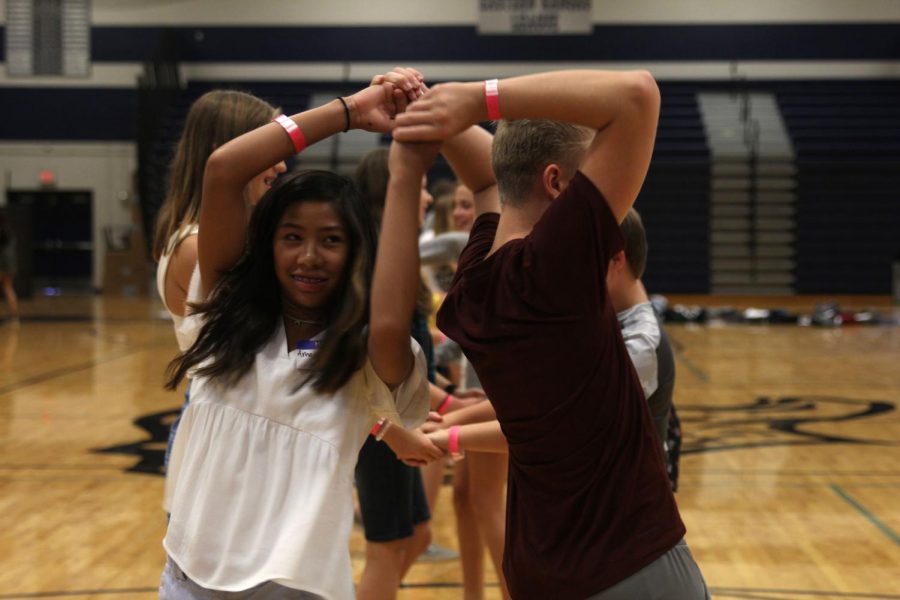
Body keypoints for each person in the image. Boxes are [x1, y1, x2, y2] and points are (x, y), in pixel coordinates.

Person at [394, 70, 709, 598]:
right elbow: (638, 95)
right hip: (628, 566)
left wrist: (432, 108)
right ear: (559, 183)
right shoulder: (556, 269)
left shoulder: (474, 284)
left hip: (539, 569)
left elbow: (491, 181)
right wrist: (478, 99)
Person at [159, 69, 437, 599]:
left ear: (356, 252)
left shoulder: (362, 352)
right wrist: (354, 110)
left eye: (331, 240)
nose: (309, 256)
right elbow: (222, 169)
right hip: (187, 579)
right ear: (268, 243)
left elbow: (389, 318)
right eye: (292, 237)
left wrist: (406, 174)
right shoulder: (223, 316)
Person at [152, 90, 285, 465]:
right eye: (269, 146)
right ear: (226, 152)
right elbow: (271, 354)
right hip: (222, 443)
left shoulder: (209, 239)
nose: (281, 166)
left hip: (237, 430)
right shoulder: (196, 248)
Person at [352, 146, 441, 599]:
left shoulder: (402, 259)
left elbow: (410, 360)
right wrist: (389, 426)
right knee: (385, 548)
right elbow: (365, 364)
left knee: (419, 535)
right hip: (378, 430)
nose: (427, 199)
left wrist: (445, 398)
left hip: (402, 419)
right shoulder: (370, 271)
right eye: (420, 188)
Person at [605, 208, 681, 491]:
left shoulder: (641, 343)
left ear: (617, 261)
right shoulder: (609, 311)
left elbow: (554, 423)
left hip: (632, 516)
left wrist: (457, 435)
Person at [0, 213, 19, 324]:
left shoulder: (2, 234)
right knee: (8, 289)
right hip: (10, 265)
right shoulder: (9, 233)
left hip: (2, 265)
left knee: (7, 289)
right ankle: (14, 318)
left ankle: (13, 318)